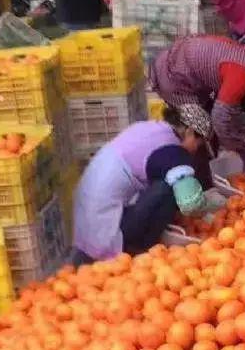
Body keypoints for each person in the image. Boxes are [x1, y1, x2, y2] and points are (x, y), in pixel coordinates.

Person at [72, 109, 207, 264]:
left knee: (165, 184)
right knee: (169, 187)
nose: (195, 150)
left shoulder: (152, 129)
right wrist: (209, 205)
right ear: (189, 132)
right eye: (198, 144)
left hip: (86, 222)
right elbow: (190, 203)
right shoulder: (172, 151)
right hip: (105, 230)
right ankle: (141, 249)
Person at [150, 34, 245, 171]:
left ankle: (209, 166)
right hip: (174, 77)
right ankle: (194, 177)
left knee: (209, 125)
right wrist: (240, 148)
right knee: (199, 132)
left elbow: (230, 109)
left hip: (185, 68)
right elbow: (220, 118)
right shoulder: (242, 74)